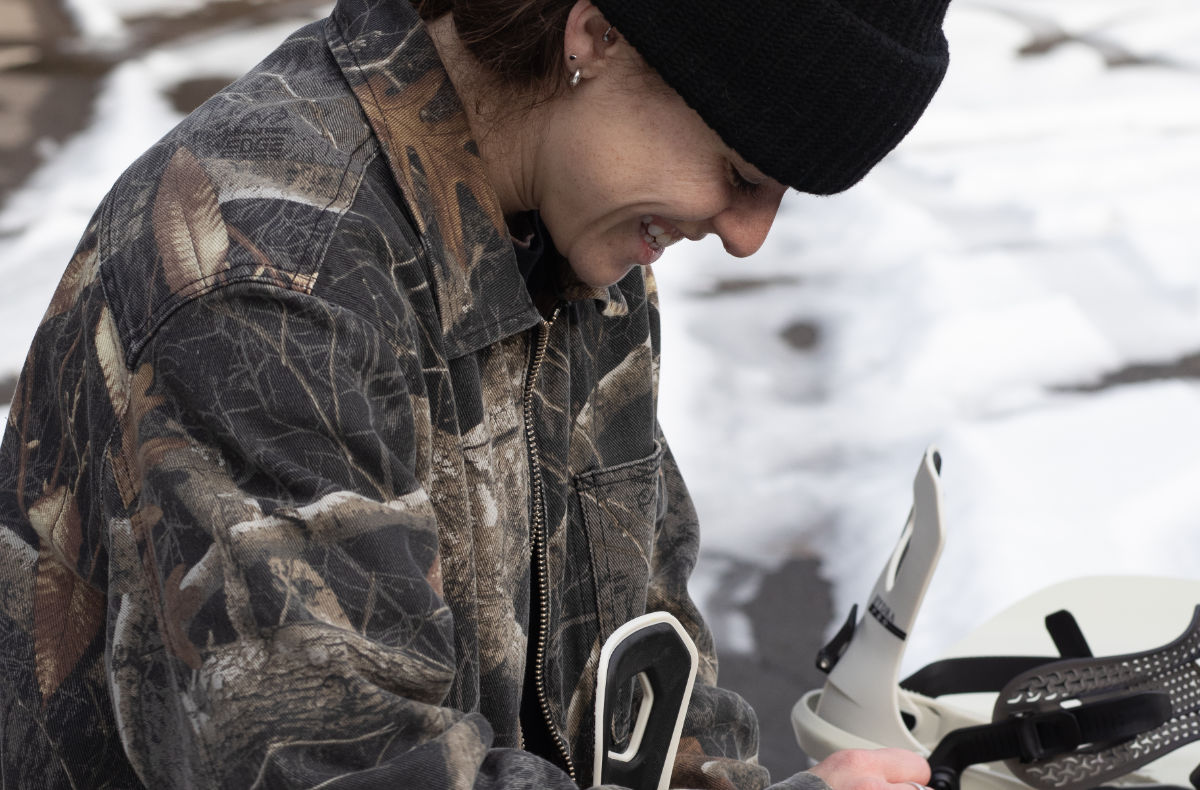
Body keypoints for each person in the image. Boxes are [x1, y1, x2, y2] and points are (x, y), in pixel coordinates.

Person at [0, 0, 951, 786]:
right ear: (595, 35)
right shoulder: (276, 287)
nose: (748, 237)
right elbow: (356, 763)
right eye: (741, 174)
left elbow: (645, 681)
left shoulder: (576, 231)